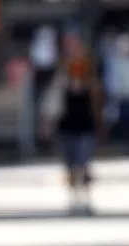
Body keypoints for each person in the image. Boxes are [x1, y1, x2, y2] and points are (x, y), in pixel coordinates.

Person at [40, 34, 106, 216]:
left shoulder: (91, 81)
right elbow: (51, 104)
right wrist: (47, 124)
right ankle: (73, 199)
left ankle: (85, 199)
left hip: (85, 127)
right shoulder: (60, 81)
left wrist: (101, 126)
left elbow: (98, 105)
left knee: (83, 165)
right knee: (70, 167)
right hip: (66, 127)